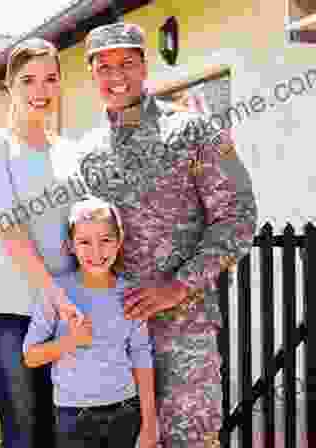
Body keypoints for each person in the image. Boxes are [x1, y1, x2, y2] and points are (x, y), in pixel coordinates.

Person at [72, 23, 258, 448]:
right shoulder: (88, 153)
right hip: (113, 338)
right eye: (104, 67)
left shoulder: (193, 132)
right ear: (92, 74)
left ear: (144, 66)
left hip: (184, 334)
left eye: (127, 63)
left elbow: (238, 217)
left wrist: (178, 286)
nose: (116, 75)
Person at [0, 37, 85, 448]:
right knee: (23, 435)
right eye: (29, 80)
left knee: (61, 436)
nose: (41, 91)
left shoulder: (71, 151)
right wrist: (55, 292)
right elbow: (10, 228)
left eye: (50, 79)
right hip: (10, 313)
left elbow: (80, 231)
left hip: (64, 316)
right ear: (11, 86)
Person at [23, 197, 158, 448]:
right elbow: (31, 357)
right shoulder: (58, 293)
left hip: (125, 412)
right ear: (71, 246)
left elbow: (141, 356)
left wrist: (150, 423)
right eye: (85, 242)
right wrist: (71, 341)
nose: (96, 252)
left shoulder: (130, 295)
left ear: (119, 241)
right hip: (73, 417)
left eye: (106, 240)